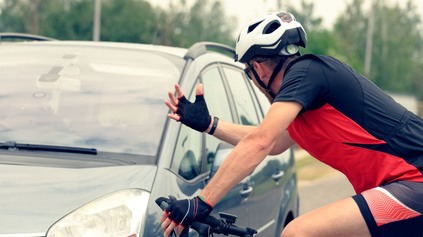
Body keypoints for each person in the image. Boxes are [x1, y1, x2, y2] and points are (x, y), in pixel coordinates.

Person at [161, 11, 423, 237]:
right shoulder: (306, 99)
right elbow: (273, 143)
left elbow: (260, 143)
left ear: (259, 68)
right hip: (401, 186)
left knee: (298, 232)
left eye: (249, 72)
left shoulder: (306, 72)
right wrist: (209, 124)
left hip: (414, 181)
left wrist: (202, 202)